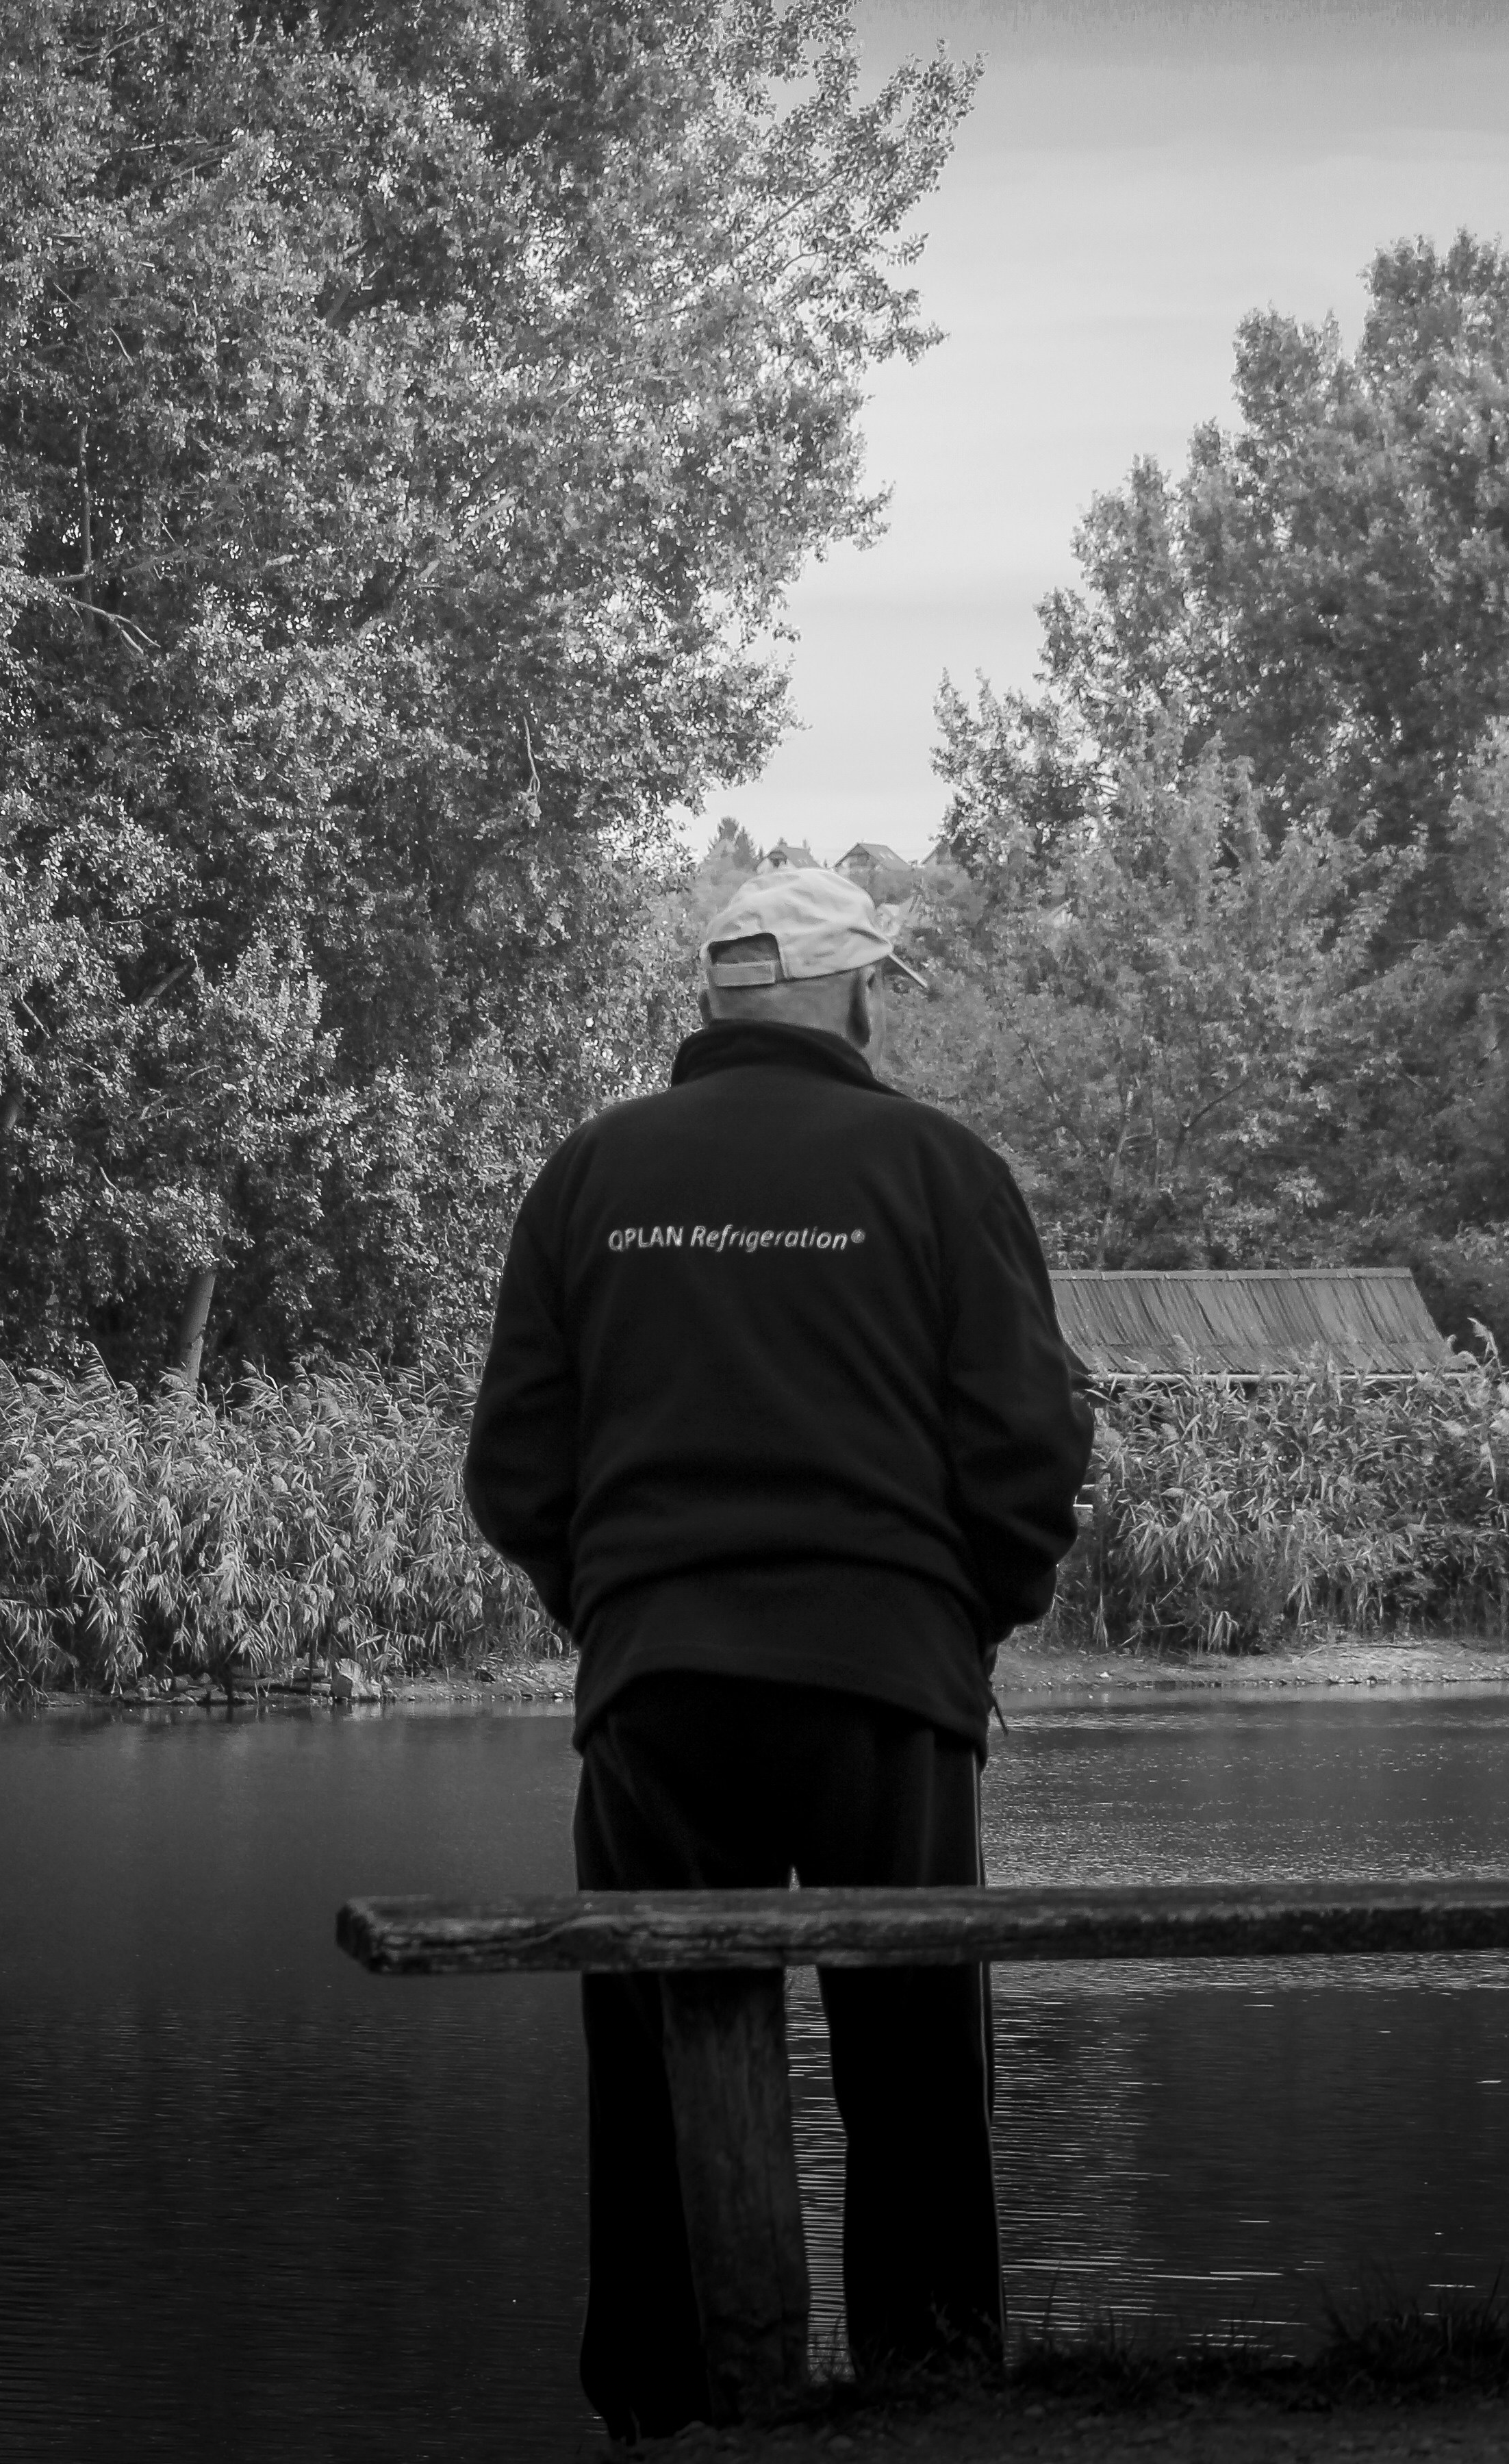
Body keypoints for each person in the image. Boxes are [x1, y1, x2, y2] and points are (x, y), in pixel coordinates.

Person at [465, 860, 1093, 2438]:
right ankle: (933, 2389)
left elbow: (516, 1466)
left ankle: (670, 2409)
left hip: (658, 1690)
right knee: (915, 2066)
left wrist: (618, 1610)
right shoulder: (940, 1168)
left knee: (657, 2048)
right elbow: (1027, 1443)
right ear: (846, 991)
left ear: (717, 998)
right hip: (886, 1675)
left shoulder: (592, 1173)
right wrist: (969, 1615)